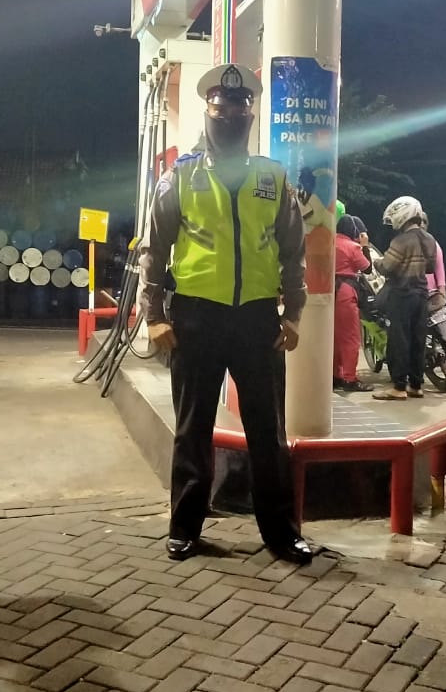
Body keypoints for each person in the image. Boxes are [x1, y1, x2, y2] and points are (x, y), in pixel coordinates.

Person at [140, 63, 313, 565]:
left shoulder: (272, 177)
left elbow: (293, 251)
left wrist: (294, 313)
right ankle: (184, 528)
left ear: (250, 115)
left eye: (239, 108)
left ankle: (282, 533)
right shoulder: (181, 176)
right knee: (192, 428)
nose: (231, 116)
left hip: (258, 320)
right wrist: (155, 315)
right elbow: (154, 250)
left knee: (268, 432)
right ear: (208, 111)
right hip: (195, 318)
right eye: (222, 108)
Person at [372, 195, 436, 401]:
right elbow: (431, 267)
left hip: (402, 294)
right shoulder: (429, 239)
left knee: (399, 340)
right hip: (422, 294)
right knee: (418, 340)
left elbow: (387, 267)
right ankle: (416, 385)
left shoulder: (401, 241)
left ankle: (399, 387)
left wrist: (377, 261)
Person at [334, 214, 372, 392]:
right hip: (345, 292)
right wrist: (365, 246)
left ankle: (335, 375)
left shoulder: (328, 242)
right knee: (350, 337)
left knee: (333, 337)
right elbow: (367, 268)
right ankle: (350, 378)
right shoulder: (352, 246)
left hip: (327, 292)